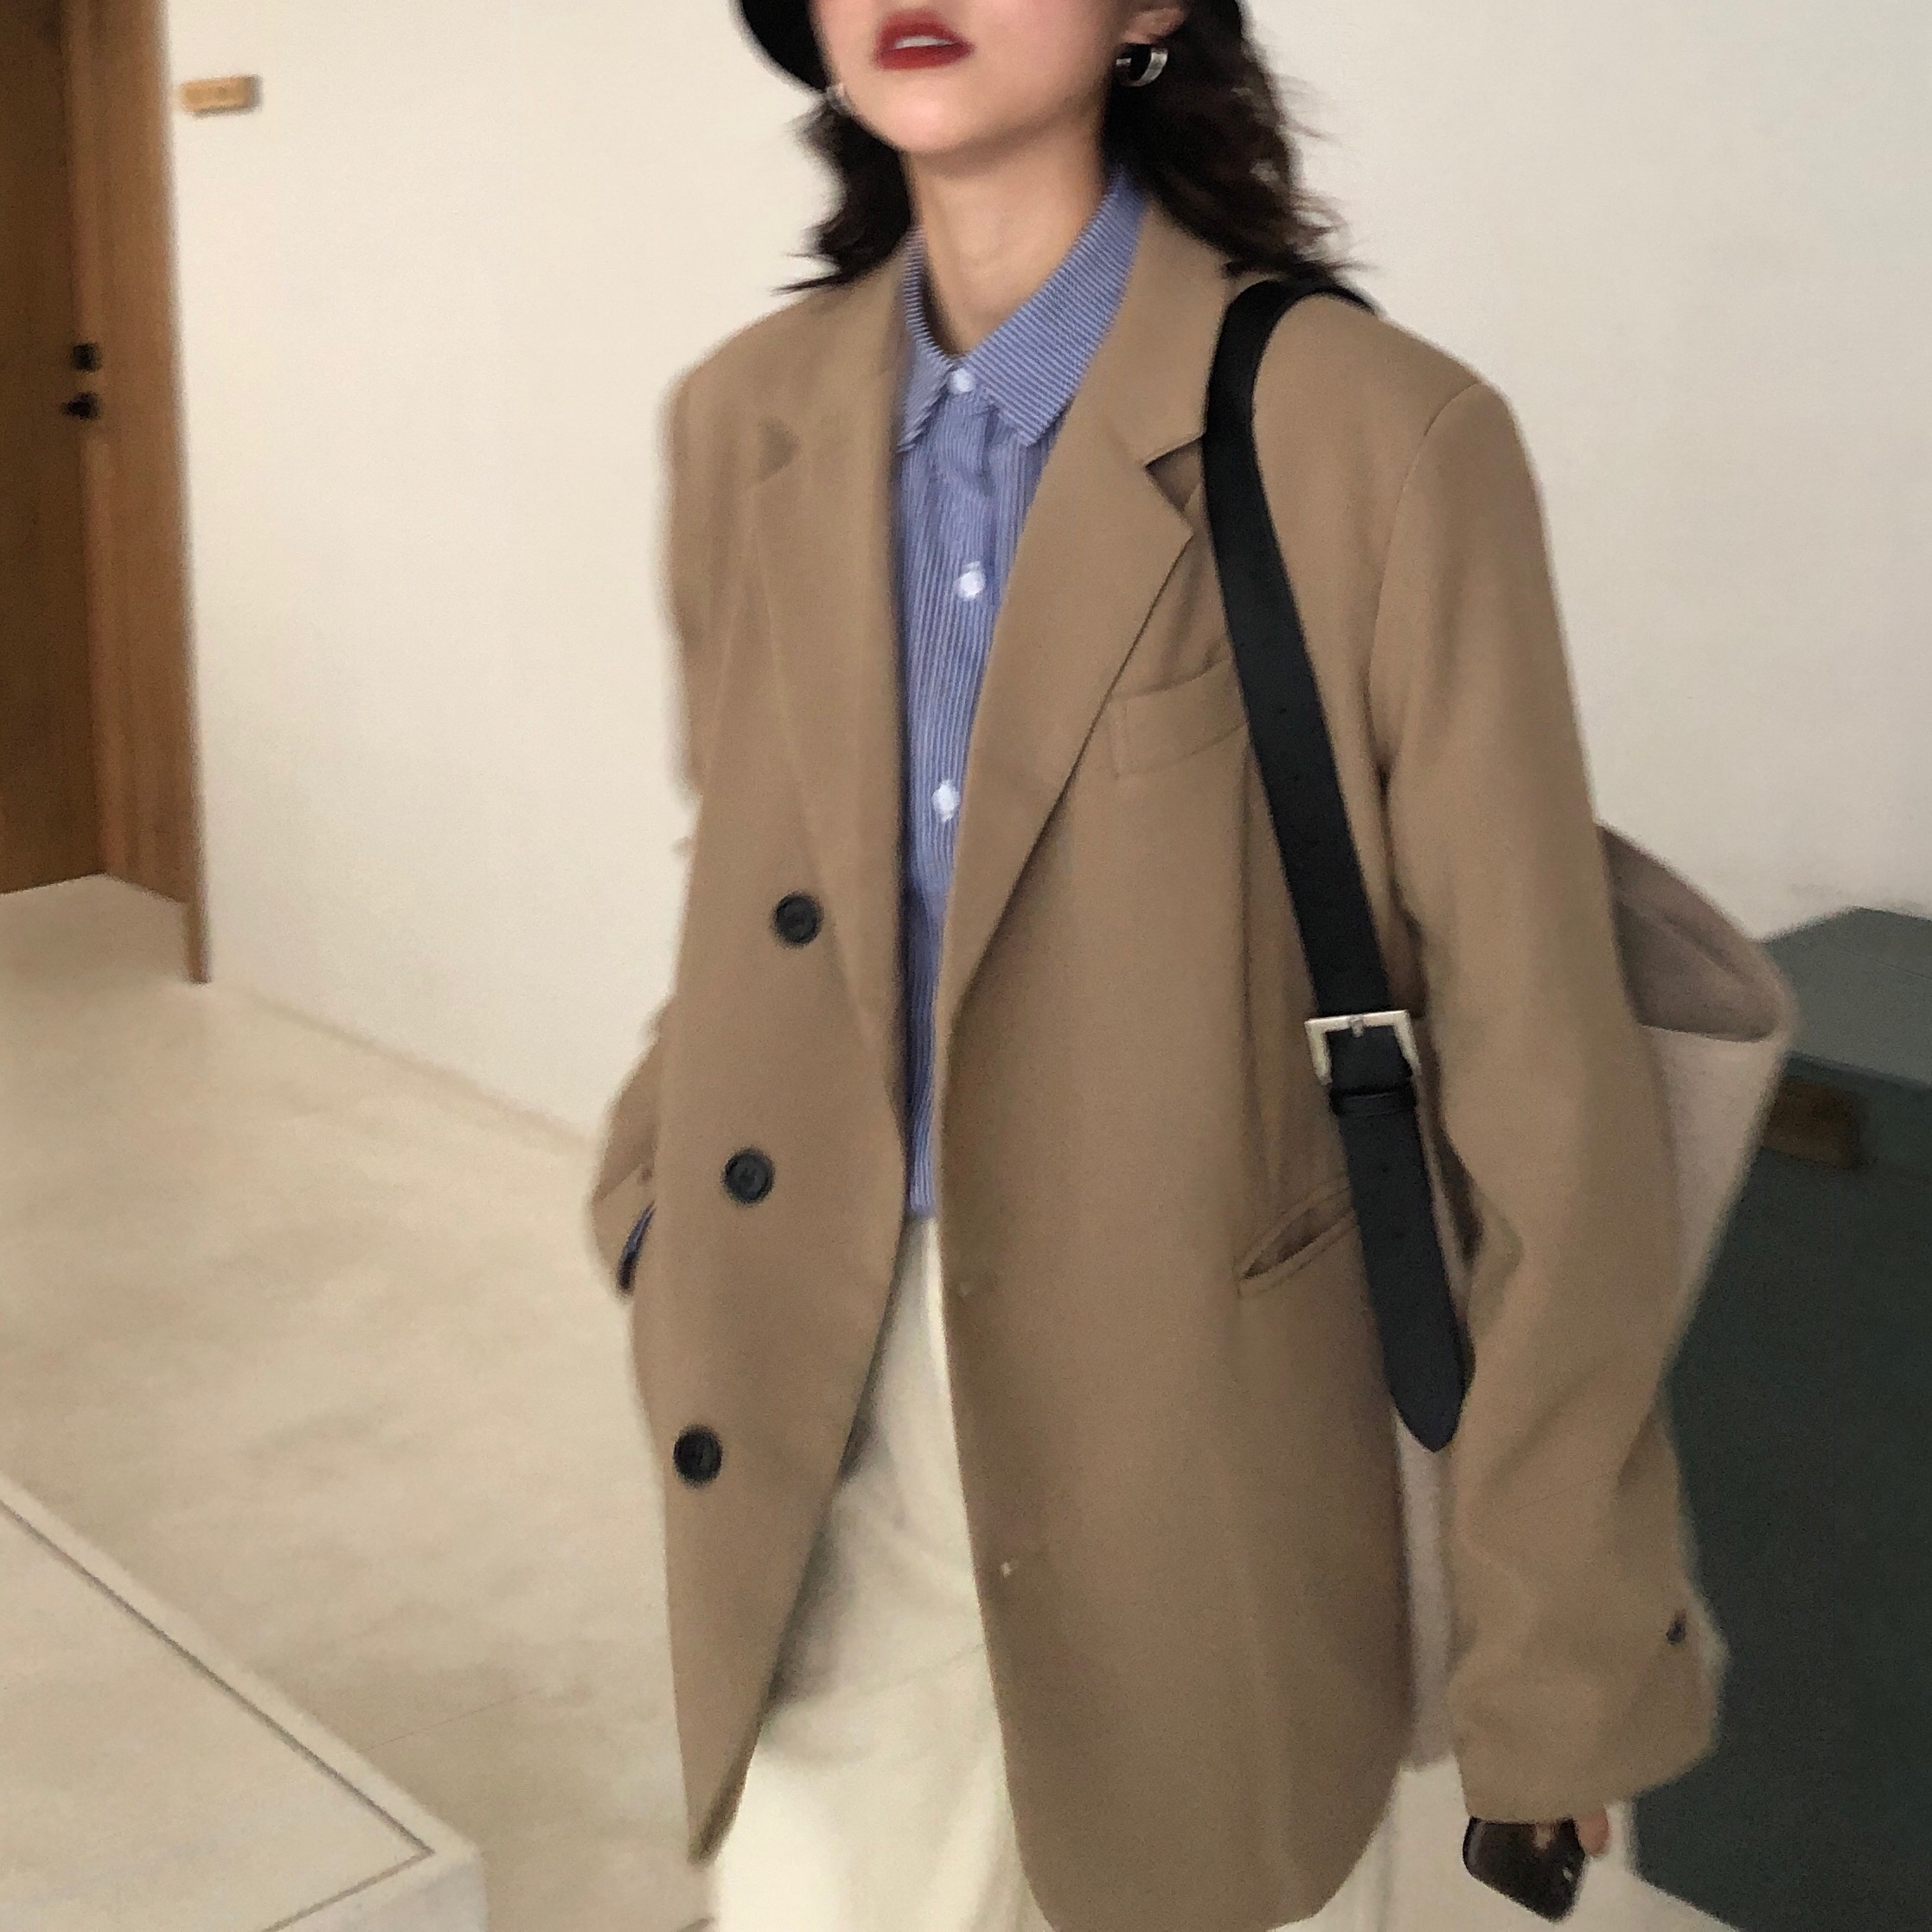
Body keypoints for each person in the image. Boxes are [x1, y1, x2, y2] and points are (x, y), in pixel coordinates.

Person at [587, 3, 1718, 1929]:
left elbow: (1542, 1077)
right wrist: (651, 1200)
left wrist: (1562, 1642)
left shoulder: (1371, 431)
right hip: (818, 1369)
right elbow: (761, 893)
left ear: (1150, 11)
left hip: (1207, 1406)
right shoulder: (742, 418)